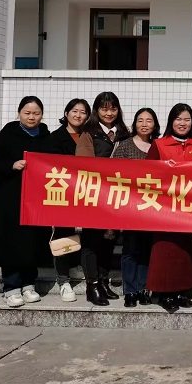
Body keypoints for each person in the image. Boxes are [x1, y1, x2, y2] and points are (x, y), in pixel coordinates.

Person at [0, 96, 51, 307]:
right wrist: (11, 165)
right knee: (11, 241)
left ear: (42, 115)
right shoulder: (8, 134)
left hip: (35, 199)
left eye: (36, 113)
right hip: (10, 197)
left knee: (32, 241)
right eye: (27, 113)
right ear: (19, 113)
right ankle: (11, 287)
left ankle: (28, 284)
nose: (32, 117)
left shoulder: (46, 136)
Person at [146, 103, 192, 313]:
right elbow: (147, 174)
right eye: (178, 119)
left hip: (190, 209)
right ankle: (164, 293)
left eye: (187, 119)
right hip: (165, 209)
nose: (183, 123)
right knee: (165, 251)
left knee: (185, 251)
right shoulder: (159, 144)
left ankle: (181, 291)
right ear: (171, 121)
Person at [76, 92, 130, 306]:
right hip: (95, 196)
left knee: (109, 241)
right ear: (96, 111)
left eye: (113, 108)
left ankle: (104, 281)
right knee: (91, 241)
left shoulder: (124, 134)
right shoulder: (89, 133)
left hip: (116, 197)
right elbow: (84, 165)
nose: (109, 113)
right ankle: (92, 285)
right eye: (104, 109)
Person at [112, 108, 159, 308]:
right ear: (134, 124)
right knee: (130, 249)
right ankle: (130, 291)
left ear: (155, 125)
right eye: (140, 120)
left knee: (147, 250)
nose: (144, 124)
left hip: (152, 207)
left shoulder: (158, 147)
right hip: (130, 208)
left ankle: (143, 288)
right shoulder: (124, 146)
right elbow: (112, 174)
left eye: (149, 120)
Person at [48, 98, 91, 302]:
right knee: (63, 233)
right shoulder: (55, 137)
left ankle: (78, 265)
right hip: (64, 191)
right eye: (74, 111)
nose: (78, 115)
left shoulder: (90, 135)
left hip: (87, 191)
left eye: (83, 112)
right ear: (66, 113)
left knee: (89, 233)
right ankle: (63, 280)